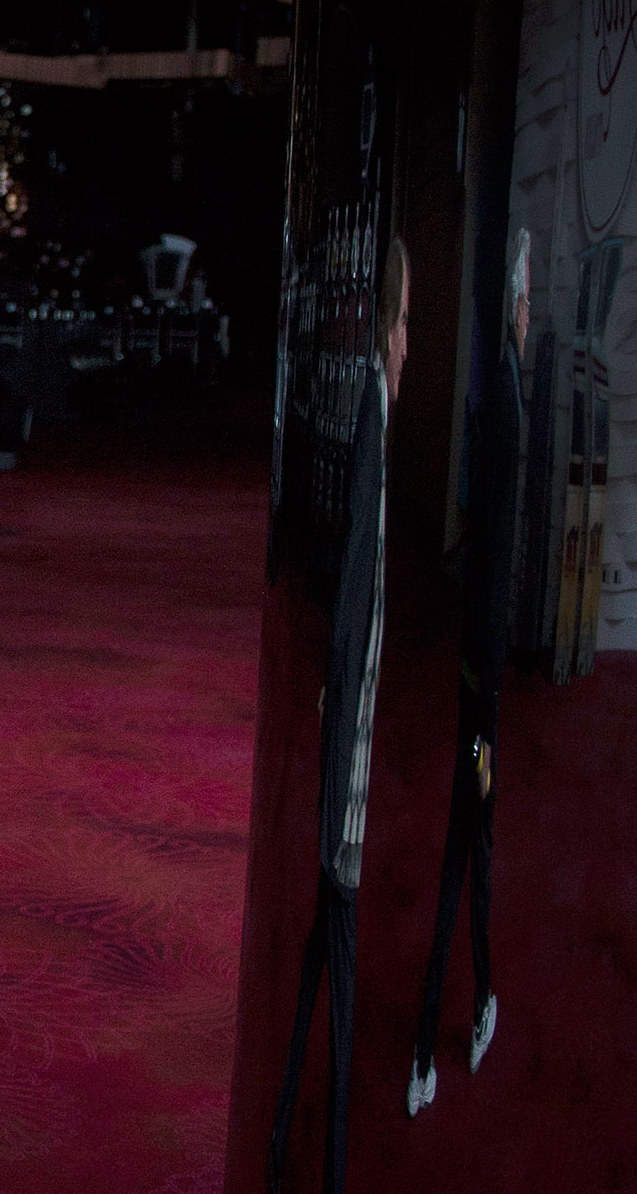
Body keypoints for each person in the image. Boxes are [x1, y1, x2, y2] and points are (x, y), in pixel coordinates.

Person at [268, 238, 408, 1194]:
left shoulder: (376, 413)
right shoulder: (367, 417)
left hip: (343, 752)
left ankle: (286, 1143)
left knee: (327, 955)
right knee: (340, 959)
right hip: (344, 770)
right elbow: (354, 596)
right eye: (408, 325)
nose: (408, 344)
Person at [407, 232, 528, 1114]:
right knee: (469, 862)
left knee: (464, 863)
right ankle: (468, 1009)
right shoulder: (510, 414)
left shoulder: (495, 412)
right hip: (481, 693)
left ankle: (445, 1027)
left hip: (473, 683)